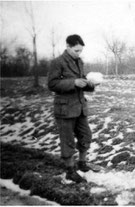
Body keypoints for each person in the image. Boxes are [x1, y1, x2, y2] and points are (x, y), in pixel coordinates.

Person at [48, 34, 98, 183]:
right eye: (76, 50)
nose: (79, 53)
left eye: (80, 51)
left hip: (80, 107)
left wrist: (89, 84)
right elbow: (52, 84)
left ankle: (82, 164)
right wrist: (74, 82)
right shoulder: (57, 62)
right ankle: (70, 170)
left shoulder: (79, 62)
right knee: (68, 140)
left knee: (86, 135)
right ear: (68, 47)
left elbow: (81, 81)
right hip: (65, 109)